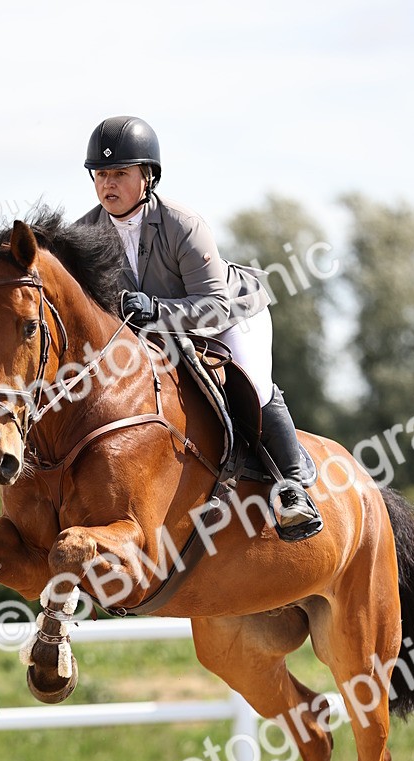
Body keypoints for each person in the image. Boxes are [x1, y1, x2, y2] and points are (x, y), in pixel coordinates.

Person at [77, 114, 321, 539]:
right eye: (100, 174)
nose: (107, 184)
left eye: (119, 173)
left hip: (230, 318)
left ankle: (293, 488)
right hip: (161, 334)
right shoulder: (86, 233)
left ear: (147, 176)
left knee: (251, 384)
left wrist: (156, 310)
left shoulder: (182, 224)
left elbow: (214, 307)